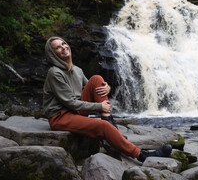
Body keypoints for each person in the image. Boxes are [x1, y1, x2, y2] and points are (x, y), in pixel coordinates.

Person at [43, 36, 172, 162]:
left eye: (64, 44)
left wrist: (107, 88)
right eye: (58, 48)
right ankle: (141, 155)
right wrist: (100, 106)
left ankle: (108, 120)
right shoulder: (55, 73)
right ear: (53, 54)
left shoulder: (77, 70)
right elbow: (70, 102)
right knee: (103, 126)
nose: (63, 48)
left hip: (75, 111)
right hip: (61, 117)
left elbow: (93, 87)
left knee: (97, 79)